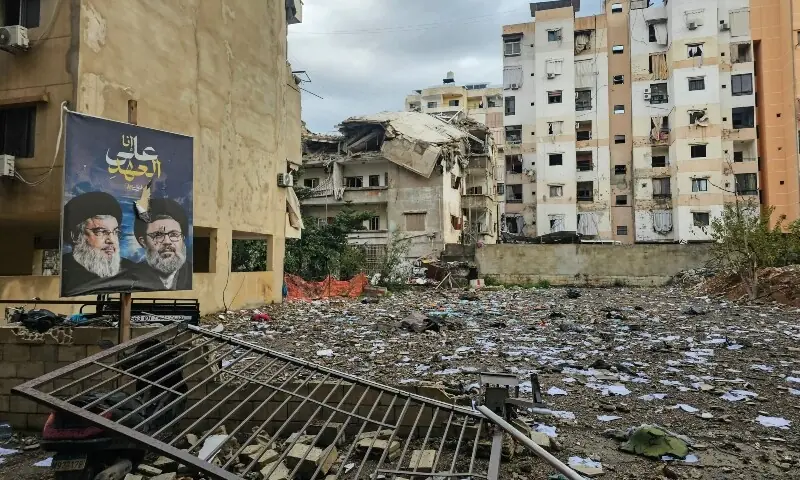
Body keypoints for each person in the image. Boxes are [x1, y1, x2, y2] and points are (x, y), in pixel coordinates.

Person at [61, 192, 137, 296]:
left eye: (115, 232)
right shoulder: (64, 270)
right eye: (100, 232)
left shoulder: (132, 270)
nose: (111, 240)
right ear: (75, 236)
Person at [133, 198, 192, 290]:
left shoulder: (191, 274)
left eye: (174, 234)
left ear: (183, 239)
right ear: (143, 242)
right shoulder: (131, 277)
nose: (167, 242)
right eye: (158, 235)